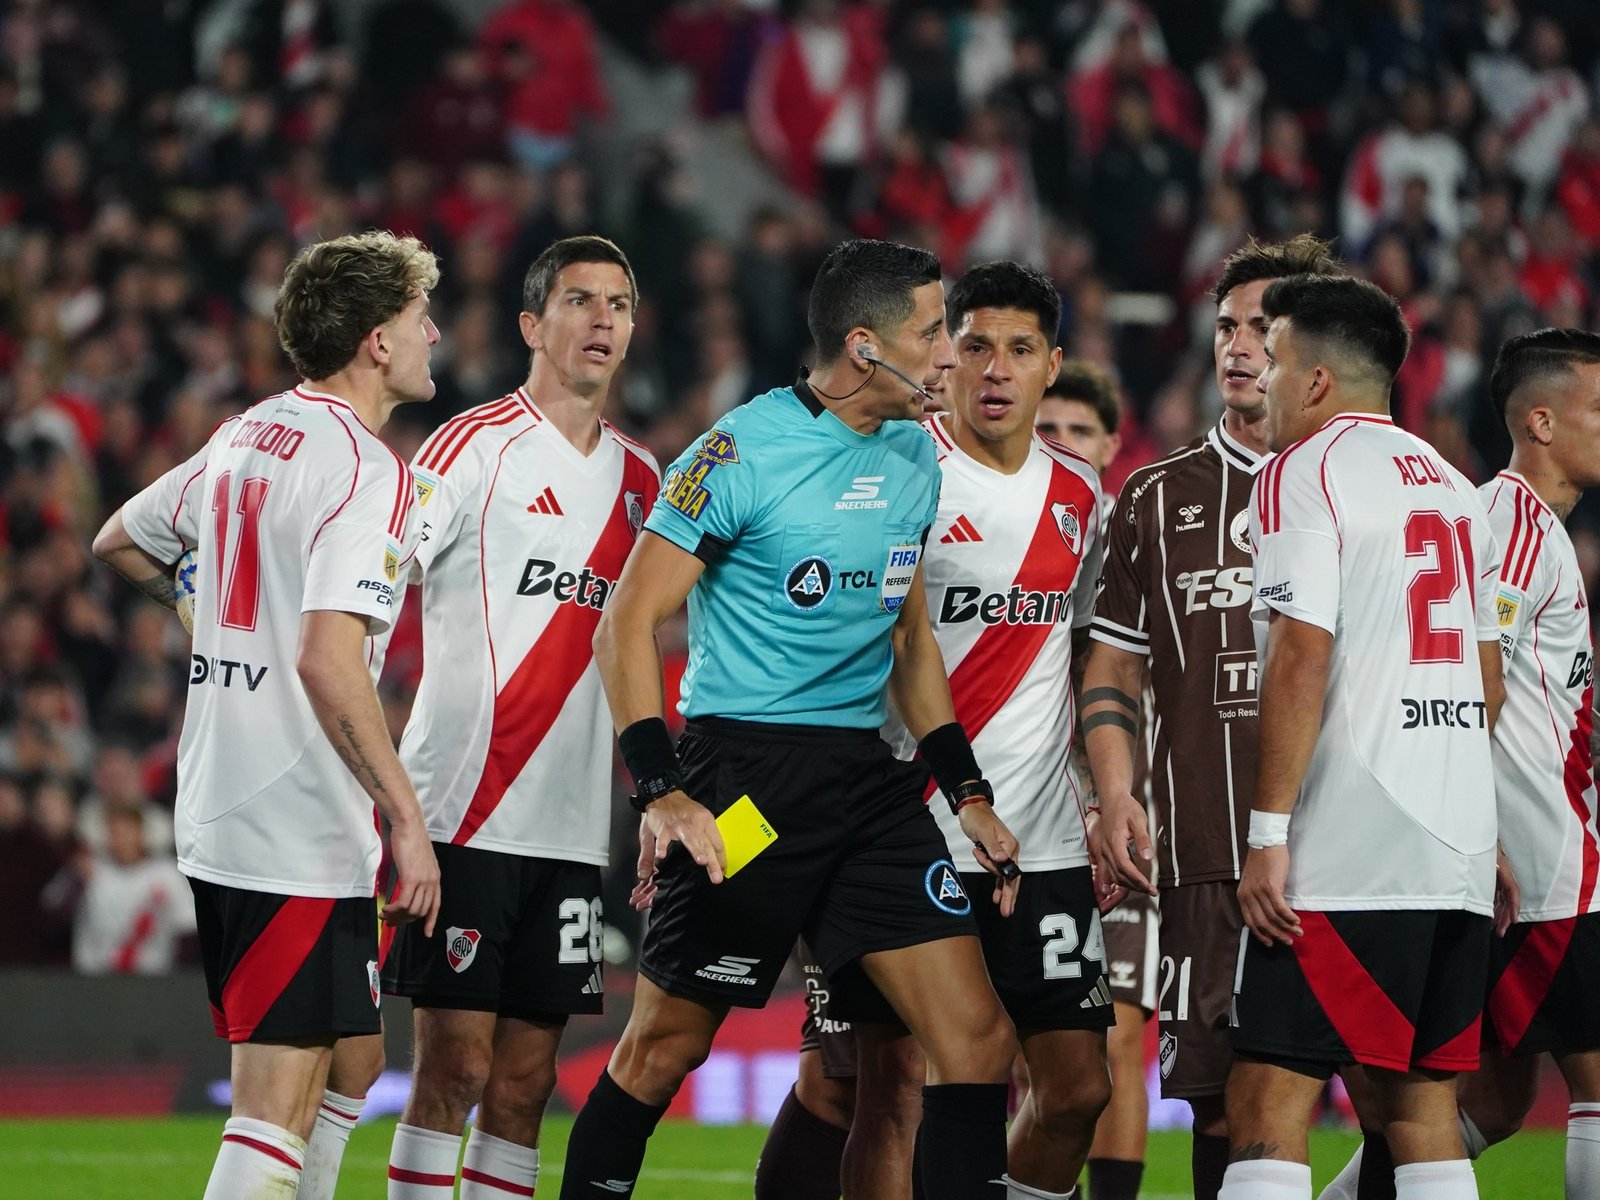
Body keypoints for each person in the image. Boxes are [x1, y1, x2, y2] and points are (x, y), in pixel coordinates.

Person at [559, 238, 1023, 1200]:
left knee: (976, 1041)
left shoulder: (916, 455)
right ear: (865, 347)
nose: (952, 355)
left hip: (866, 784)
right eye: (933, 333)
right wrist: (663, 793)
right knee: (664, 1048)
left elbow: (910, 639)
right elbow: (625, 625)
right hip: (745, 785)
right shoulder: (737, 453)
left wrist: (967, 791)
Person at [92, 230, 443, 1199]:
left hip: (227, 795)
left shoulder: (248, 433)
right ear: (376, 340)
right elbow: (328, 662)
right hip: (290, 816)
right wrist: (408, 820)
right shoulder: (369, 471)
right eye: (420, 318)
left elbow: (119, 538)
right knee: (271, 1107)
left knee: (355, 1063)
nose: (434, 335)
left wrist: (192, 602)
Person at [378, 235, 659, 1198]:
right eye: (580, 301)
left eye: (618, 304)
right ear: (533, 325)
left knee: (526, 1085)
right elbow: (376, 579)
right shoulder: (472, 446)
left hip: (573, 827)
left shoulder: (643, 480)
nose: (602, 320)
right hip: (465, 809)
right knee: (452, 1070)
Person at [1221, 274, 1504, 1200]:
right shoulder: (1458, 490)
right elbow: (1488, 684)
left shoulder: (1300, 471)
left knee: (1267, 1101)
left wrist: (1268, 836)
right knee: (1420, 1110)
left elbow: (1301, 653)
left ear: (1314, 380)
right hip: (1457, 848)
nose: (1260, 381)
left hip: (1349, 850)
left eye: (1274, 362)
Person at [1084, 234, 1338, 1200]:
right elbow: (1111, 663)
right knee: (1223, 1109)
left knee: (1391, 1097)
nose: (1238, 346)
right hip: (1209, 860)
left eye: (1262, 328)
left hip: (1348, 849)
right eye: (1227, 326)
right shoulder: (1156, 497)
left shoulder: (1355, 488)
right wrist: (1117, 793)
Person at [1322, 328, 1600, 1200]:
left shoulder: (1525, 524)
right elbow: (1472, 680)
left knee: (1495, 1100)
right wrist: (1480, 830)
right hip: (1545, 867)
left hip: (1531, 854)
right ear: (1542, 422)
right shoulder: (1513, 525)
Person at [898, 260, 1111, 1199]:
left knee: (1078, 1090)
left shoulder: (1083, 495)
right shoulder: (903, 470)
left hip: (1045, 839)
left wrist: (1100, 794)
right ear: (946, 355)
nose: (996, 369)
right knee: (889, 1086)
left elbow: (1091, 656)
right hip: (916, 827)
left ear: (1051, 365)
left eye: (1020, 350)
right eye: (977, 345)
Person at [1038, 362, 1156, 1200]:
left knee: (1116, 1035)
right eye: (1049, 429)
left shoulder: (1134, 536)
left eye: (1080, 430)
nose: (1063, 443)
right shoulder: (1013, 522)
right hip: (1026, 807)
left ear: (1113, 444)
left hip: (1123, 810)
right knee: (1029, 1043)